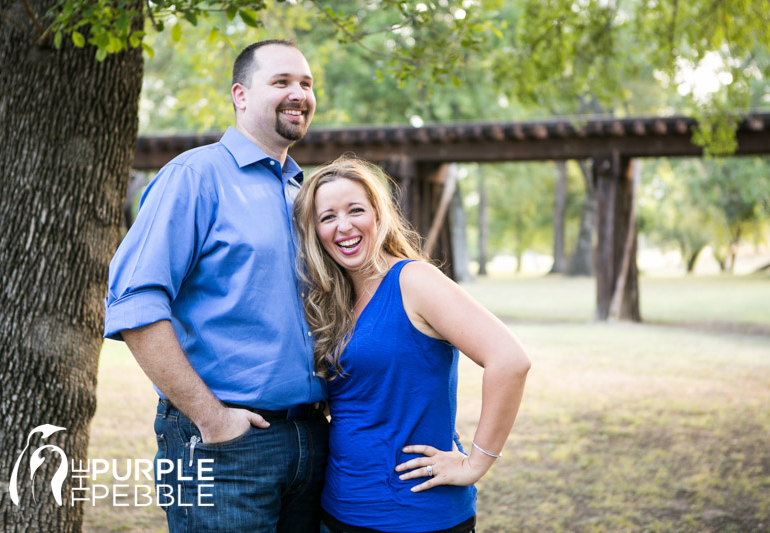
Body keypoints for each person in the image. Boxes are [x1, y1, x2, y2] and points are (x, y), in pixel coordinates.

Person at [104, 40, 328, 532]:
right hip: (226, 449)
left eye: (306, 84)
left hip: (311, 442)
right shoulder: (194, 176)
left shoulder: (302, 193)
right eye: (282, 82)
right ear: (240, 95)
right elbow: (133, 303)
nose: (299, 94)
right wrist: (212, 418)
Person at [293, 156, 531, 533]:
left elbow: (510, 359)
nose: (344, 226)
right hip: (339, 510)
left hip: (417, 515)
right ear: (315, 231)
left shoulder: (413, 281)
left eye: (356, 210)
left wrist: (475, 463)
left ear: (379, 215)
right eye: (328, 217)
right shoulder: (332, 301)